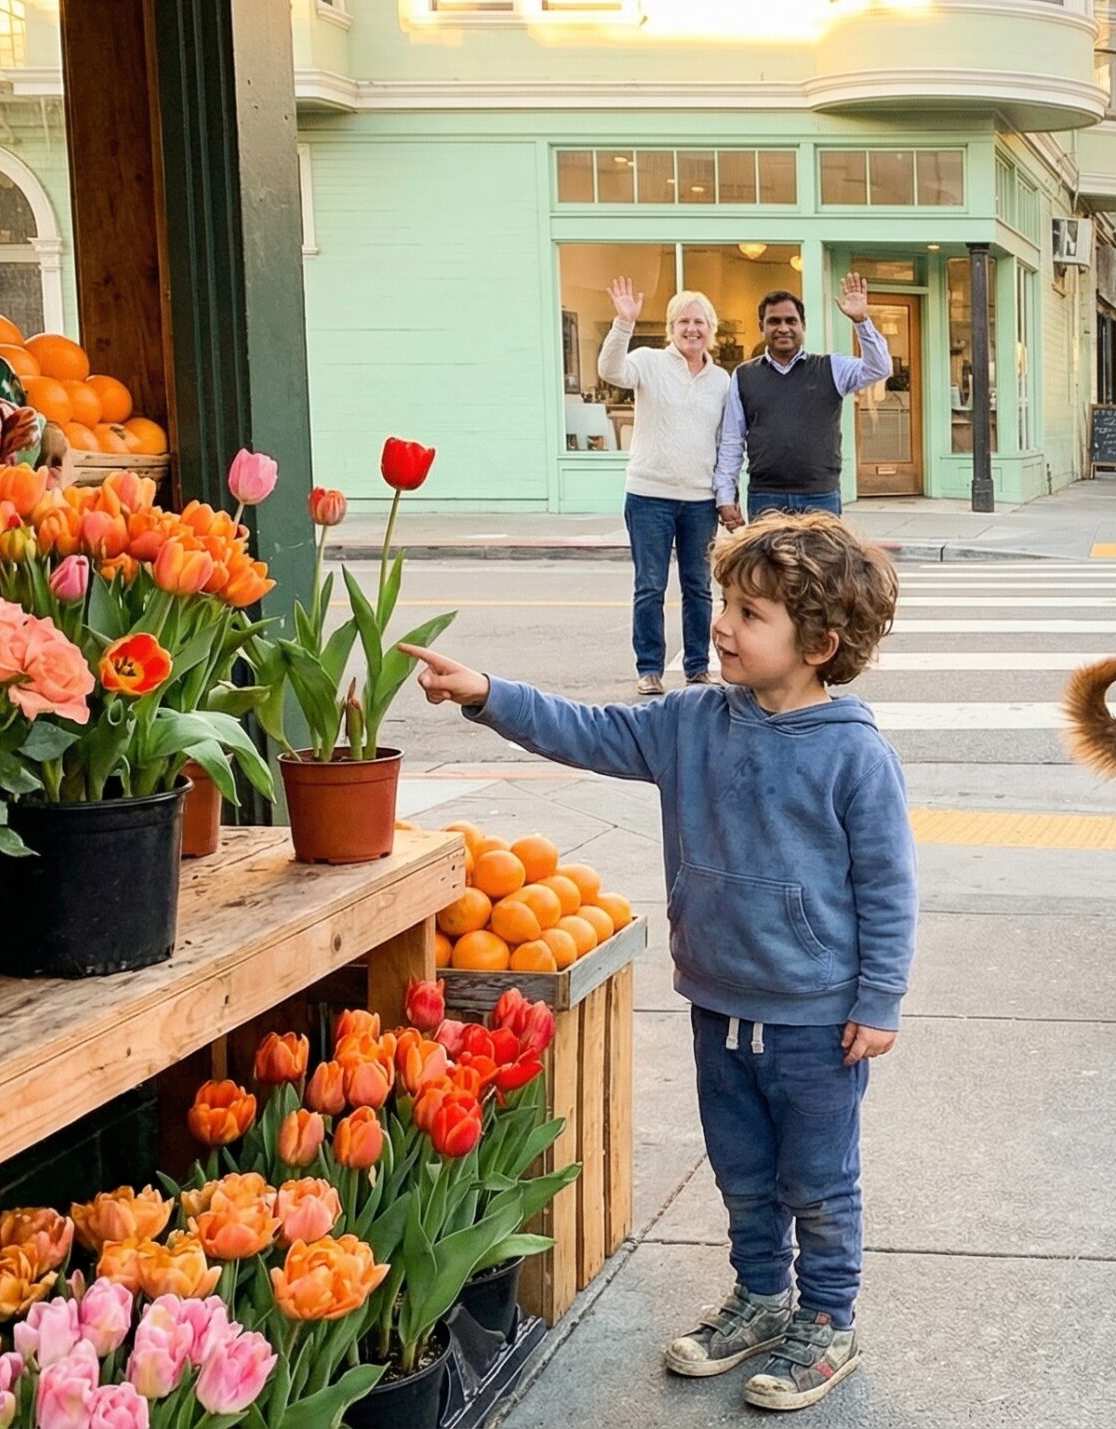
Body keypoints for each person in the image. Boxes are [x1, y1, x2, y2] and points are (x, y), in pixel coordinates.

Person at [398, 510, 913, 1416]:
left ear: (821, 644)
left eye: (751, 614)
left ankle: (827, 1319)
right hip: (720, 1002)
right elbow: (587, 730)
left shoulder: (853, 752)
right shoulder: (692, 722)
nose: (721, 624)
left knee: (819, 1181)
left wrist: (878, 999)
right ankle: (760, 1299)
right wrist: (487, 692)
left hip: (815, 1018)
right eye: (724, 603)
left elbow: (887, 885)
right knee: (743, 1171)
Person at [604, 279, 734, 695]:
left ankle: (698, 665)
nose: (691, 328)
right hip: (649, 496)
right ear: (670, 328)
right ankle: (649, 668)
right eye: (683, 321)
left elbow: (725, 440)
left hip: (699, 500)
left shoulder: (722, 381)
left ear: (711, 329)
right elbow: (611, 370)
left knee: (698, 586)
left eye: (699, 321)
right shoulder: (648, 362)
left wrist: (724, 492)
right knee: (650, 586)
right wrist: (624, 323)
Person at [713, 274, 894, 528]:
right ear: (761, 326)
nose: (783, 328)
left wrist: (861, 321)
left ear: (803, 326)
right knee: (770, 569)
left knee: (820, 568)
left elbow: (880, 368)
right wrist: (725, 495)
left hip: (820, 497)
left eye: (791, 321)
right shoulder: (744, 376)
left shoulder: (831, 368)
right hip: (766, 499)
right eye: (774, 321)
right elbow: (732, 441)